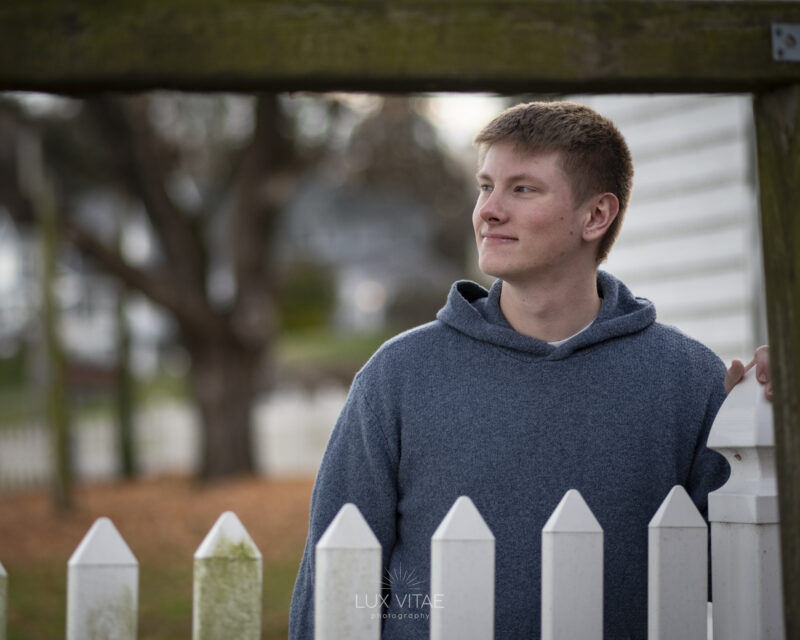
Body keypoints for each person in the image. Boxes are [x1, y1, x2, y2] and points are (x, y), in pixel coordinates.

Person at [288, 101, 771, 639]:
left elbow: (755, 568)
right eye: (485, 186)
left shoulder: (689, 380)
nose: (488, 210)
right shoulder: (396, 378)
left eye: (522, 189)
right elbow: (333, 590)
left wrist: (778, 425)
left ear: (596, 216)